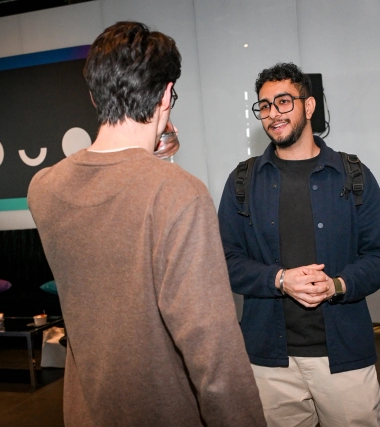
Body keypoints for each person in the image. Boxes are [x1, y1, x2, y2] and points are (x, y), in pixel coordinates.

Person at [28, 22, 265, 427]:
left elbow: (109, 203)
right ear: (167, 94)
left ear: (93, 95)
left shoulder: (43, 188)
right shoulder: (178, 193)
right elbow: (213, 351)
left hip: (87, 412)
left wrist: (146, 158)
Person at [218, 62, 380, 427]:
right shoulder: (243, 180)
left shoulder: (353, 175)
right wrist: (279, 279)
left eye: (283, 102)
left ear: (309, 106)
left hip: (344, 355)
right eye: (265, 106)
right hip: (270, 359)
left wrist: (337, 285)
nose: (273, 114)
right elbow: (224, 260)